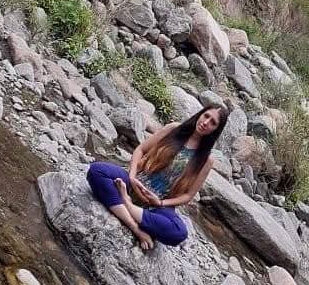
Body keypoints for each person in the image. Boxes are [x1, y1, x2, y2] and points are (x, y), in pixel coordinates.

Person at [86, 106, 228, 251]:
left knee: (179, 233)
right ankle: (135, 226)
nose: (206, 122)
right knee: (97, 170)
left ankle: (126, 205)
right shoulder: (174, 129)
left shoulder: (206, 160)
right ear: (200, 114)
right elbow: (140, 150)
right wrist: (132, 176)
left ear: (216, 130)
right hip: (133, 183)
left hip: (156, 205)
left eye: (213, 122)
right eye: (206, 116)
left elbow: (188, 196)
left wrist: (160, 202)